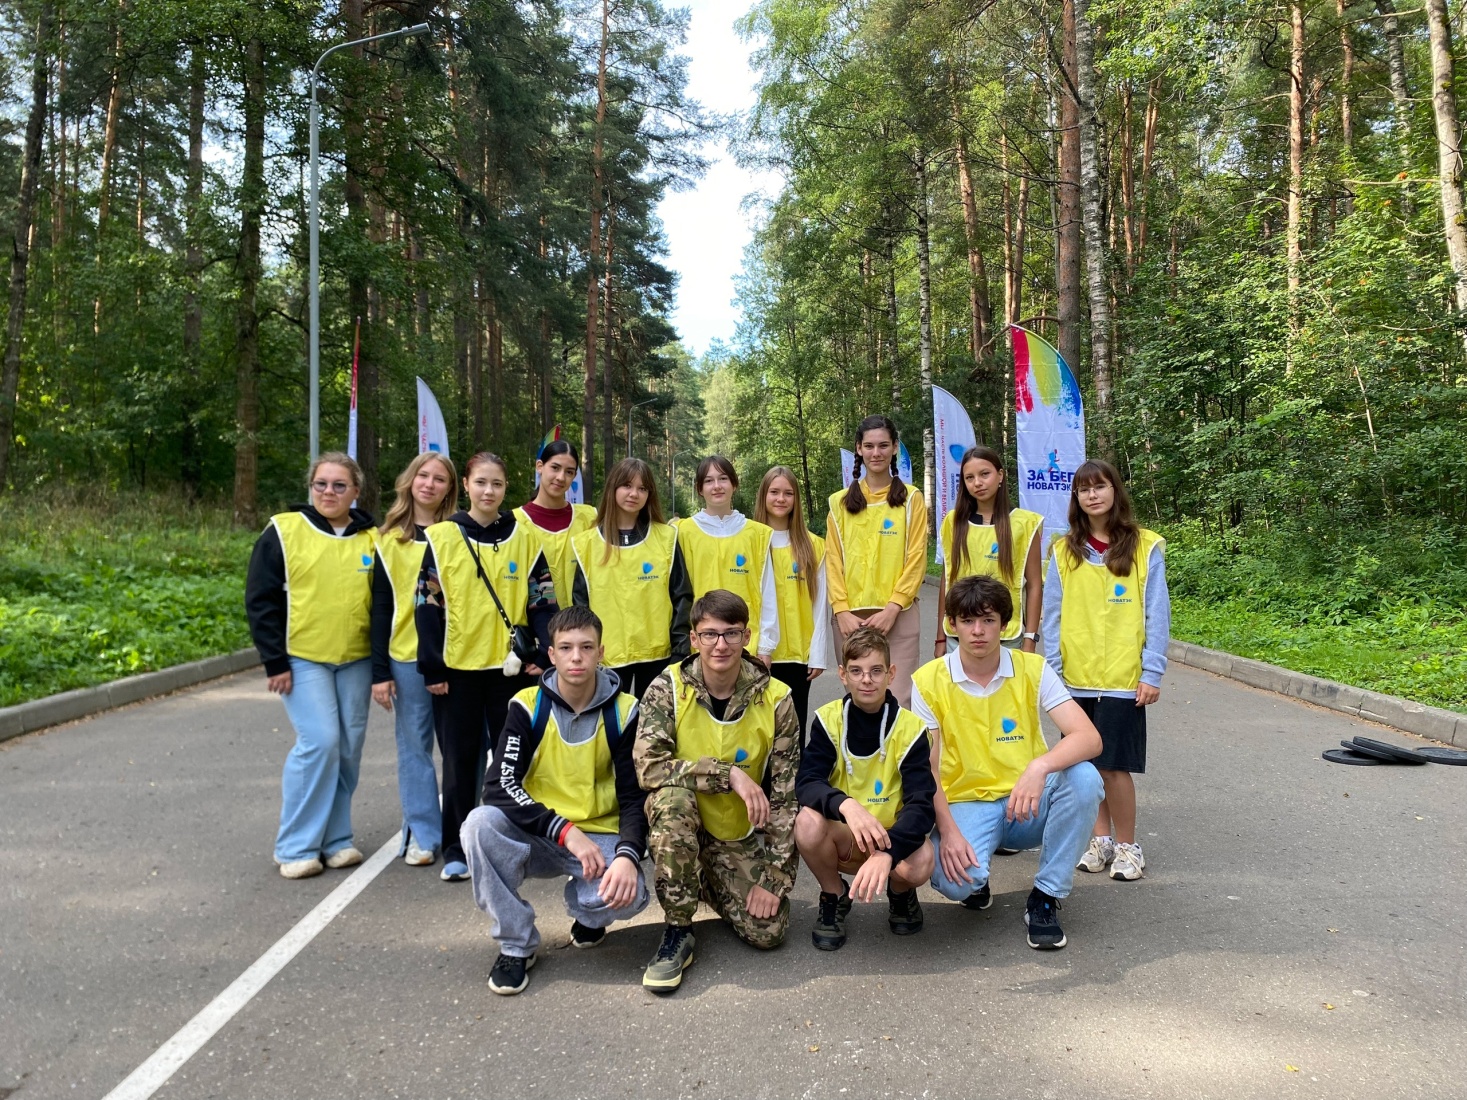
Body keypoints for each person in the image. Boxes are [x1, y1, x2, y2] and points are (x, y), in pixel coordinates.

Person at [461, 606, 650, 995]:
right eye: (565, 647)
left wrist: (629, 856)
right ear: (551, 654)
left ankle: (588, 913)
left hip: (598, 837)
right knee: (479, 826)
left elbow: (635, 797)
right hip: (540, 833)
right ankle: (516, 945)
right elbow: (498, 786)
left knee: (629, 896)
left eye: (586, 647)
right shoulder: (527, 705)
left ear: (601, 651)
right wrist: (564, 831)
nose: (576, 657)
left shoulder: (626, 711)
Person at [915, 575, 1105, 950]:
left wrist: (1039, 767)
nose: (978, 631)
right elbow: (928, 770)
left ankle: (1046, 896)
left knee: (1084, 779)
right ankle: (978, 874)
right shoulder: (928, 680)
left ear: (1005, 624)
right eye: (967, 621)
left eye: (988, 620)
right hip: (966, 802)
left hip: (1025, 802)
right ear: (950, 624)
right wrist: (949, 833)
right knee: (956, 882)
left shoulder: (1032, 668)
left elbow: (1089, 738)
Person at [633, 590, 800, 994]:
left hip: (732, 837)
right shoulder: (667, 687)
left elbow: (785, 796)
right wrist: (729, 776)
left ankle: (706, 880)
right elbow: (649, 766)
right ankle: (678, 928)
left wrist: (775, 878)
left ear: (746, 637)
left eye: (731, 633)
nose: (720, 644)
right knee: (671, 800)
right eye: (709, 634)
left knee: (769, 931)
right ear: (694, 639)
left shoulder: (776, 698)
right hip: (681, 824)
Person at [417, 452, 559, 883]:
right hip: (457, 670)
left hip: (510, 671)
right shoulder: (442, 537)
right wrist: (432, 668)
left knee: (517, 759)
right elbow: (427, 605)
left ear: (506, 488)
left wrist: (542, 653)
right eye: (481, 483)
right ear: (466, 485)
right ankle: (456, 848)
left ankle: (518, 840)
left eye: (496, 484)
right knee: (460, 761)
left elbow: (543, 601)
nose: (488, 491)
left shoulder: (526, 538)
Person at [245, 452, 377, 880]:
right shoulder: (284, 531)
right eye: (321, 484)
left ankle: (336, 840)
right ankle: (297, 845)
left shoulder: (372, 537)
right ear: (311, 487)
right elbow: (260, 599)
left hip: (355, 659)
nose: (328, 492)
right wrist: (274, 661)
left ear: (356, 492)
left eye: (340, 485)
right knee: (319, 741)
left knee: (348, 749)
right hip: (302, 659)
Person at [1042, 458, 1170, 883]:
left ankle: (1129, 846)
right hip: (1073, 679)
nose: (1092, 495)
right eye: (1083, 489)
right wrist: (1053, 672)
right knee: (1084, 768)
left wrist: (1151, 672)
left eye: (1100, 487)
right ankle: (1101, 840)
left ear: (1115, 491)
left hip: (1122, 680)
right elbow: (1052, 616)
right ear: (1076, 498)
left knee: (1115, 767)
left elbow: (1157, 614)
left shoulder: (1145, 546)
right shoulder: (1063, 550)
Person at [795, 627, 935, 950]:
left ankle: (900, 895)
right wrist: (845, 805)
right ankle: (834, 895)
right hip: (847, 837)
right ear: (842, 675)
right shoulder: (829, 720)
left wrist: (888, 851)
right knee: (806, 822)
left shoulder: (911, 729)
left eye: (875, 671)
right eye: (856, 671)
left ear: (891, 673)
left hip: (892, 838)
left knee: (923, 859)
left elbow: (921, 805)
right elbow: (807, 783)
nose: (866, 680)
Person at [370, 452, 458, 868]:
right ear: (409, 480)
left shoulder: (458, 534)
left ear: (449, 488)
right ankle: (423, 834)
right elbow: (380, 607)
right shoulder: (386, 539)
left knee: (461, 750)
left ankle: (463, 832)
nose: (429, 484)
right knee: (415, 749)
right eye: (423, 475)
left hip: (459, 656)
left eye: (439, 478)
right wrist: (379, 671)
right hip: (406, 656)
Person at [826, 415, 928, 707]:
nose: (876, 453)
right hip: (849, 619)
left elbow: (916, 558)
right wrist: (841, 610)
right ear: (858, 449)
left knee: (899, 698)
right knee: (859, 698)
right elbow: (833, 561)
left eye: (883, 445)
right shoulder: (839, 502)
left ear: (895, 448)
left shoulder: (912, 499)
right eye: (869, 446)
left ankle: (896, 754)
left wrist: (893, 607)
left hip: (899, 614)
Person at [571, 457, 692, 698]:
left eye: (642, 488)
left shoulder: (666, 538)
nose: (634, 493)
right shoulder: (587, 543)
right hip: (607, 658)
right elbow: (581, 605)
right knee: (612, 730)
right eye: (627, 485)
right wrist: (585, 650)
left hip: (660, 656)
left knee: (656, 731)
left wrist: (680, 651)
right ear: (613, 488)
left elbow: (681, 596)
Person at [934, 446, 1044, 657]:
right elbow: (947, 581)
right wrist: (940, 637)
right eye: (969, 477)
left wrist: (1030, 638)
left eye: (985, 474)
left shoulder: (1025, 524)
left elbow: (1034, 585)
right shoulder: (953, 522)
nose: (977, 482)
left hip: (1008, 636)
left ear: (1000, 475)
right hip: (958, 636)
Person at [675, 455, 779, 665]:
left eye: (723, 479)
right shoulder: (681, 532)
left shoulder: (757, 534)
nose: (716, 486)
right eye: (708, 480)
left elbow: (767, 593)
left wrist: (766, 646)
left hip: (745, 643)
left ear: (734, 484)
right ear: (699, 488)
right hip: (699, 644)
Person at [753, 465, 830, 733]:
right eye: (774, 492)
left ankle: (795, 776)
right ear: (763, 495)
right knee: (759, 729)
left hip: (797, 654)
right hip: (758, 654)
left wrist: (817, 655)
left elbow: (820, 606)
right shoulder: (751, 542)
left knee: (794, 728)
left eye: (788, 493)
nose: (781, 499)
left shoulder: (813, 546)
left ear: (796, 499)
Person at [514, 439, 598, 611]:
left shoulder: (590, 518)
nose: (561, 477)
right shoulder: (515, 521)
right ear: (539, 466)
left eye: (569, 472)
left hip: (581, 627)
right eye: (555, 467)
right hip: (534, 630)